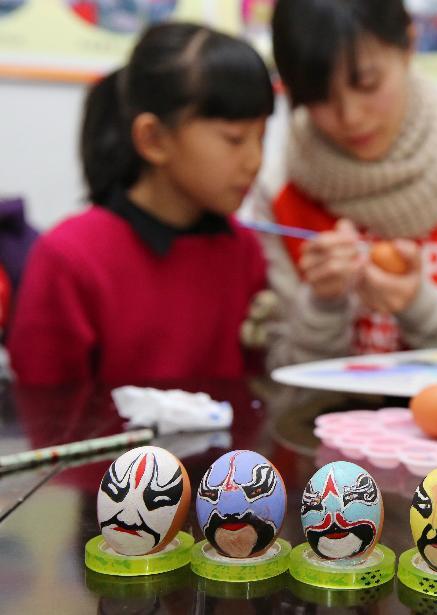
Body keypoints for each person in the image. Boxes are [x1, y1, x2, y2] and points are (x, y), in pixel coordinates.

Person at [250, 0, 437, 367]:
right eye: (319, 97)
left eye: (367, 84)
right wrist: (323, 303)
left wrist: (419, 305)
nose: (350, 117)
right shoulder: (278, 188)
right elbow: (279, 377)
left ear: (409, 44)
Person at [9, 22, 274, 386]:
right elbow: (44, 408)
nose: (255, 161)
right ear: (153, 140)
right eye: (235, 139)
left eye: (262, 137)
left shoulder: (243, 250)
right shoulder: (69, 258)